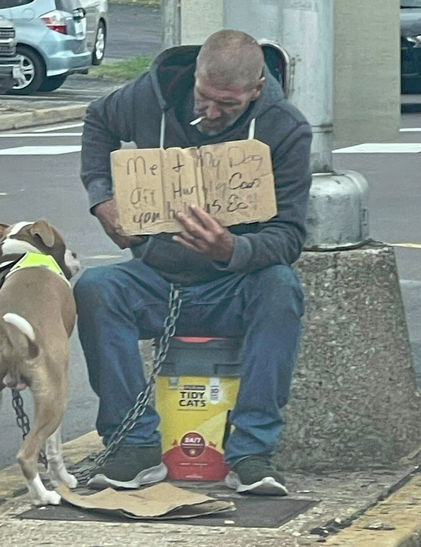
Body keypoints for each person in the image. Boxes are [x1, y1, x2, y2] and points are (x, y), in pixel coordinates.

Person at [74, 29, 312, 495]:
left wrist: (232, 250)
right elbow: (98, 120)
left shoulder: (286, 129)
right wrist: (103, 198)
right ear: (196, 76)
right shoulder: (150, 96)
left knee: (281, 287)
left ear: (257, 90)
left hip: (234, 284)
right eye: (205, 97)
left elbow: (289, 237)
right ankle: (134, 444)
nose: (211, 112)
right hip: (156, 278)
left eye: (228, 103)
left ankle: (251, 453)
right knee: (96, 288)